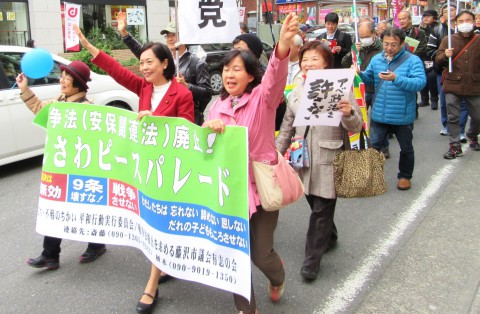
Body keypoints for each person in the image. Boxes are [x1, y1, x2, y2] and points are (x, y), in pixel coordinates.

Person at [73, 25, 194, 314]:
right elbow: (116, 69)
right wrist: (89, 47)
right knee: (154, 223)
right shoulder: (143, 87)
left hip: (168, 169)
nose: (143, 68)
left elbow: (187, 134)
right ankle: (165, 264)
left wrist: (155, 121)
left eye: (149, 62)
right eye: (141, 63)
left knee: (159, 223)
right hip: (144, 168)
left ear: (165, 63)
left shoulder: (182, 94)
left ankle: (151, 286)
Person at [204, 12, 299, 314]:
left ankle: (277, 274)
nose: (229, 75)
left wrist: (282, 48)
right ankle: (247, 309)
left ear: (250, 74)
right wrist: (211, 131)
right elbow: (202, 147)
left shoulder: (263, 98)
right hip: (228, 192)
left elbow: (275, 79)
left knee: (260, 254)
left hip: (261, 187)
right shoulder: (216, 106)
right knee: (234, 255)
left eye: (236, 69)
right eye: (226, 69)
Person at [276, 40, 363, 281]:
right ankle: (330, 236)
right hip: (300, 154)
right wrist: (275, 154)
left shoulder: (340, 87)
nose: (308, 63)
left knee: (321, 209)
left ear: (326, 62)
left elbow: (356, 126)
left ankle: (311, 261)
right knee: (313, 200)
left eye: (315, 59)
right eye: (305, 59)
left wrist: (348, 113)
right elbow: (287, 126)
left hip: (329, 154)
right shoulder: (297, 89)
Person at [18, 61, 107, 270]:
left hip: (80, 169)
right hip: (60, 167)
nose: (62, 81)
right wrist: (24, 89)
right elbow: (40, 110)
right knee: (56, 208)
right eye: (63, 77)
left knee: (85, 207)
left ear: (78, 83)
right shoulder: (59, 101)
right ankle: (50, 255)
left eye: (67, 78)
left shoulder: (87, 109)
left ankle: (96, 244)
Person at [359, 27, 426, 191]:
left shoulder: (412, 60)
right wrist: (359, 74)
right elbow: (369, 80)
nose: (389, 48)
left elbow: (419, 83)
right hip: (379, 113)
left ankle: (404, 176)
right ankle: (372, 177)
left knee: (406, 147)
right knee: (373, 146)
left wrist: (396, 78)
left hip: (402, 114)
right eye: (386, 44)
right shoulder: (376, 59)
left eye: (394, 44)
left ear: (402, 43)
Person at [118, 14, 212, 126]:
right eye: (167, 36)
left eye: (174, 35)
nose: (170, 39)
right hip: (159, 123)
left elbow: (207, 93)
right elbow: (142, 52)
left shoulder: (197, 63)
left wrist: (187, 86)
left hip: (191, 120)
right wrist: (125, 34)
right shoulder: (163, 58)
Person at [435, 11, 480, 159]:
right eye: (461, 21)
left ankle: (472, 134)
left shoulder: (478, 40)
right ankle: (455, 146)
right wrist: (445, 55)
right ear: (456, 23)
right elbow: (438, 59)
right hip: (453, 83)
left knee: (477, 116)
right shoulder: (448, 39)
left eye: (468, 20)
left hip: (474, 84)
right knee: (453, 117)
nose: (465, 23)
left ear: (474, 21)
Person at [427, 4, 469, 139]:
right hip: (445, 72)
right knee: (445, 101)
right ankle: (446, 124)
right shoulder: (437, 31)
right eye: (446, 11)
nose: (449, 13)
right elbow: (430, 51)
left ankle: (460, 129)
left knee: (462, 102)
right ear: (442, 14)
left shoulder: (469, 31)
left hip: (464, 72)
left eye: (452, 10)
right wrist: (443, 55)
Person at [342, 21, 383, 109]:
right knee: (360, 116)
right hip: (359, 87)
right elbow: (344, 63)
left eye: (367, 37)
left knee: (376, 116)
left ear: (374, 33)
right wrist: (353, 51)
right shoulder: (357, 47)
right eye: (361, 37)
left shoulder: (382, 49)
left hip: (375, 89)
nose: (364, 39)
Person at [419, 10, 440, 109]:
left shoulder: (438, 29)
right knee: (422, 77)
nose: (426, 18)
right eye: (424, 16)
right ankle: (424, 99)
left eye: (428, 16)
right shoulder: (419, 29)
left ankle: (434, 99)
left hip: (434, 56)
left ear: (434, 17)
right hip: (422, 56)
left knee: (431, 77)